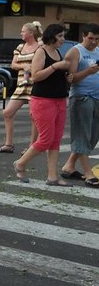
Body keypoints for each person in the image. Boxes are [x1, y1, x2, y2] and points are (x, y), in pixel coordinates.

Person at [12, 24, 72, 187]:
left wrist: (67, 77)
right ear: (51, 36)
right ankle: (20, 163)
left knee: (55, 140)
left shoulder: (57, 52)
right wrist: (55, 66)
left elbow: (56, 75)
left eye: (63, 36)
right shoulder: (41, 51)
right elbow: (36, 76)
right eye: (60, 36)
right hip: (43, 100)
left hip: (59, 99)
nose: (63, 39)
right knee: (45, 140)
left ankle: (52, 176)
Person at [59, 24, 99, 187]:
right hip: (82, 97)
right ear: (83, 36)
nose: (93, 42)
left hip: (97, 97)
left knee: (93, 136)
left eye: (97, 39)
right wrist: (88, 72)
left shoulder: (97, 51)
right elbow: (71, 78)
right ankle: (88, 173)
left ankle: (69, 167)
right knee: (82, 134)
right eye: (90, 38)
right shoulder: (75, 52)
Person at [0, 22, 42, 153]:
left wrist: (33, 69)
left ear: (31, 33)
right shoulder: (20, 47)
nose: (21, 34)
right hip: (21, 84)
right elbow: (13, 64)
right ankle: (8, 144)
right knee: (7, 112)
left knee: (34, 115)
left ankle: (32, 146)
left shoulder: (40, 47)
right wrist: (24, 67)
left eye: (23, 31)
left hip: (34, 84)